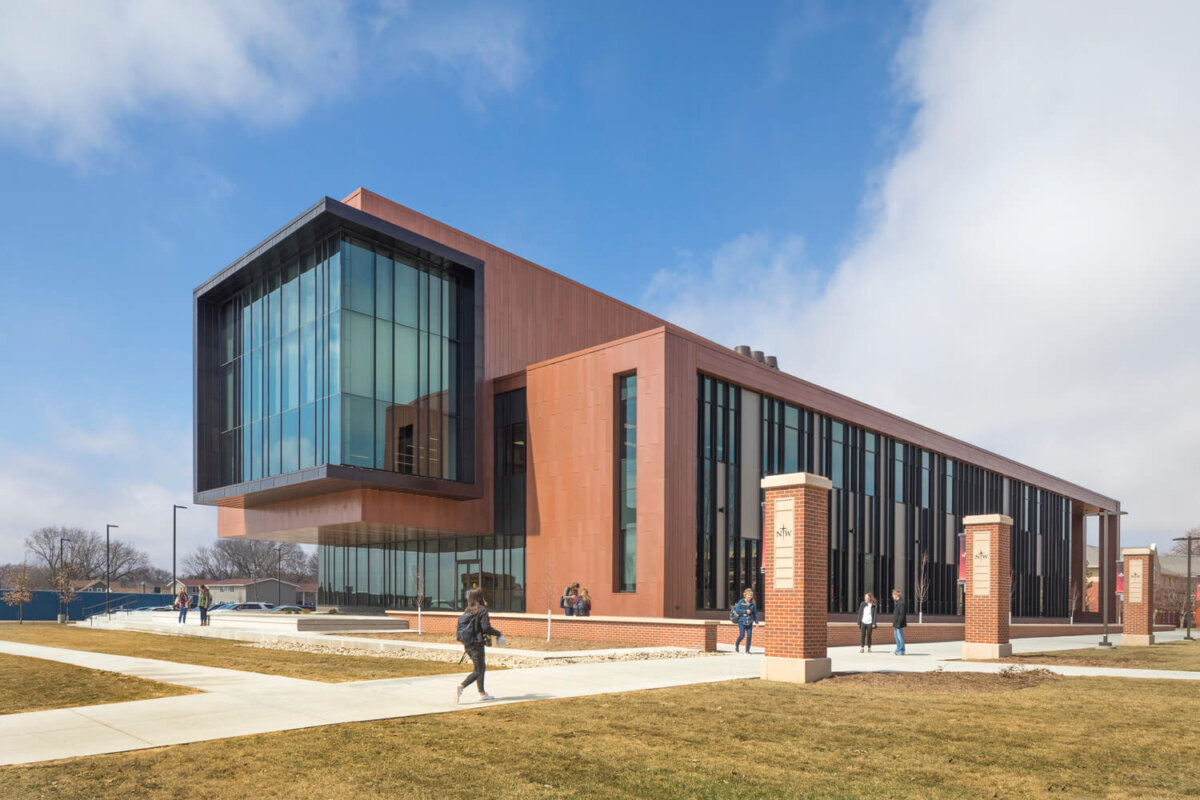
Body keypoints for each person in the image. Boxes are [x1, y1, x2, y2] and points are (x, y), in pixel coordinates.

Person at [456, 587, 504, 703]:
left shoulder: (468, 610)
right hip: (477, 644)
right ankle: (461, 687)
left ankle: (482, 693)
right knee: (478, 670)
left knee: (481, 667)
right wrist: (498, 633)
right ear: (480, 597)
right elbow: (485, 628)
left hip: (467, 644)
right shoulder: (482, 610)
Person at [732, 588, 759, 653]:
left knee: (749, 636)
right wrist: (745, 611)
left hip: (749, 621)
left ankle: (747, 650)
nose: (749, 597)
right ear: (745, 595)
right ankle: (737, 643)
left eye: (750, 595)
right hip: (741, 621)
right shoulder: (741, 601)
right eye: (748, 595)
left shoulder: (752, 604)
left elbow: (755, 613)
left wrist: (757, 622)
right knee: (742, 635)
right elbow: (737, 610)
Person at [892, 589, 908, 655]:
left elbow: (902, 614)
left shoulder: (901, 603)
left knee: (900, 637)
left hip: (899, 624)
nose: (892, 597)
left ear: (896, 595)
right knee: (896, 637)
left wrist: (898, 623)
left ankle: (901, 650)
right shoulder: (898, 602)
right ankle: (898, 649)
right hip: (896, 624)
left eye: (893, 595)